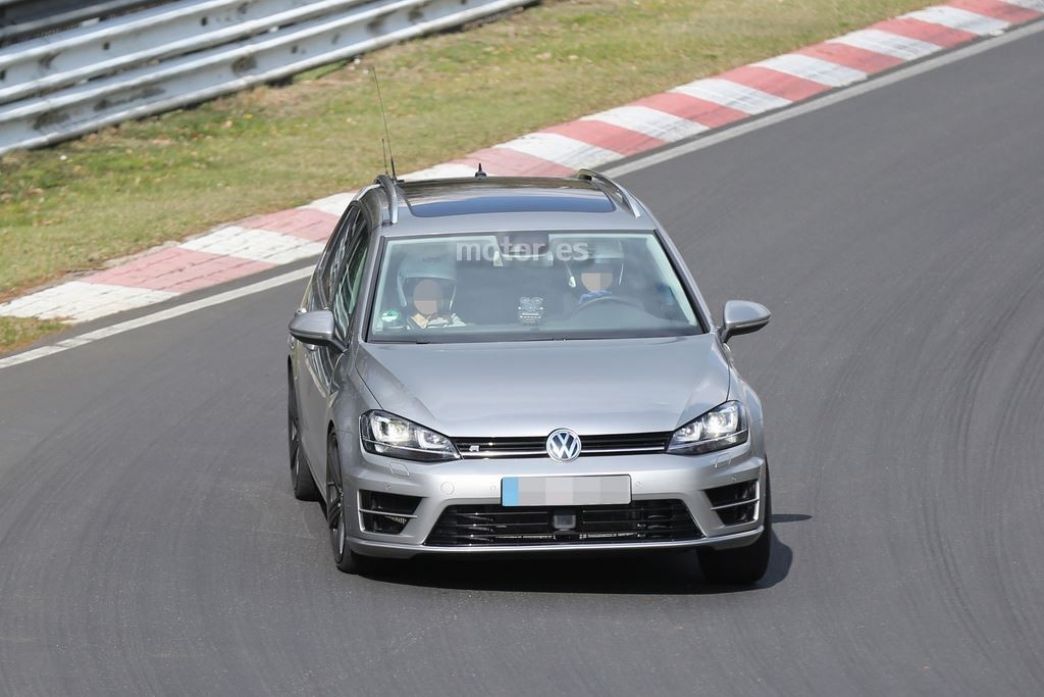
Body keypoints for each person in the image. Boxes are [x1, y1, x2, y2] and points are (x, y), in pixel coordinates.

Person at [396, 253, 466, 329]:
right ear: (408, 292)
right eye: (423, 289)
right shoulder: (396, 326)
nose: (429, 294)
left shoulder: (455, 325)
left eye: (436, 288)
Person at [565, 238, 626, 306]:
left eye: (603, 270)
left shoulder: (628, 304)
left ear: (615, 274)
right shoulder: (566, 305)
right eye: (590, 270)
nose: (597, 276)